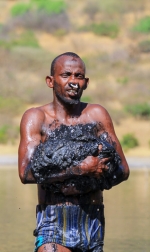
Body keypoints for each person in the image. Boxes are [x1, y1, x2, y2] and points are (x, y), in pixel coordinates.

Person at [18, 52, 129, 252]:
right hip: (53, 222)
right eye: (66, 75)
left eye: (78, 76)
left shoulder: (96, 115)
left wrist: (99, 173)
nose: (73, 82)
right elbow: (26, 173)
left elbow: (122, 170)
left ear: (86, 83)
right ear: (50, 81)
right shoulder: (37, 118)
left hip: (92, 222)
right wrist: (79, 169)